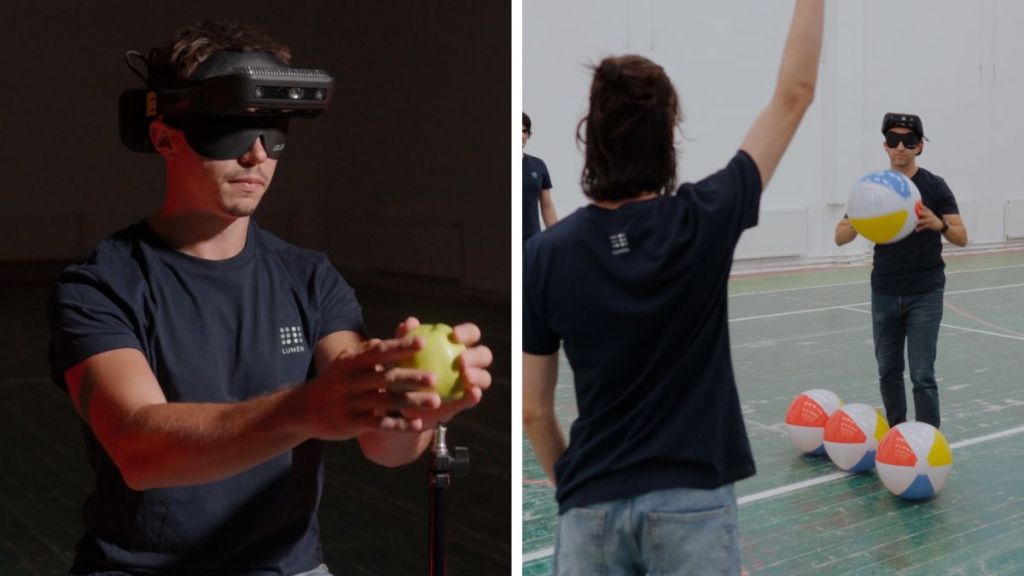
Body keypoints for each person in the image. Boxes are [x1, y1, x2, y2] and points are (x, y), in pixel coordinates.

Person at [48, 21, 492, 576]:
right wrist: (305, 408)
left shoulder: (310, 278)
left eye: (274, 131)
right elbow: (140, 450)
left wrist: (414, 409)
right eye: (232, 129)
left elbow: (383, 448)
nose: (258, 155)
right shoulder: (99, 286)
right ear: (165, 137)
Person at [522, 2, 823, 574]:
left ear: (592, 136)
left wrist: (578, 491)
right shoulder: (703, 219)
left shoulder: (545, 255)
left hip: (590, 506)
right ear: (667, 137)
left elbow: (535, 412)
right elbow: (795, 92)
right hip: (693, 505)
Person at [835, 112, 967, 429]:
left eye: (908, 141)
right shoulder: (873, 188)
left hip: (925, 292)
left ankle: (927, 440)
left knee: (922, 375)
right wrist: (857, 222)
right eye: (893, 140)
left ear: (919, 147)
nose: (900, 147)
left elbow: (961, 237)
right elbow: (839, 237)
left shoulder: (935, 186)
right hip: (884, 291)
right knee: (888, 371)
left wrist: (940, 223)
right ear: (885, 146)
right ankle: (898, 434)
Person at [523, 112, 558, 244]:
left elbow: (547, 206)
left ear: (529, 135)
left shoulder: (538, 165)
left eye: (524, 131)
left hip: (532, 245)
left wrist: (557, 238)